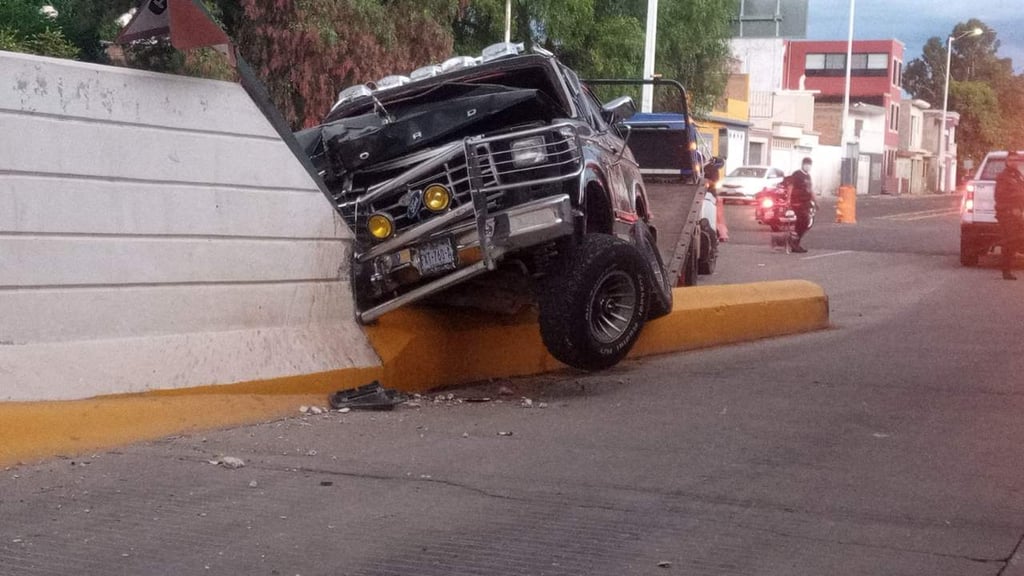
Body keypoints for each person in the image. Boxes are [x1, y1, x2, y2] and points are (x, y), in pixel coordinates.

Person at [994, 151, 1024, 280]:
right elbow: (1000, 196)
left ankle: (1008, 268)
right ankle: (1006, 271)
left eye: (1016, 160)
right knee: (1009, 241)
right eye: (1011, 160)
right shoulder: (1003, 177)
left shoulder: (1018, 176)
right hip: (1007, 214)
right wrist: (1013, 208)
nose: (1014, 162)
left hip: (1018, 214)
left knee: (1015, 240)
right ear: (1006, 162)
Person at [785, 157, 815, 253]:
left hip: (806, 202)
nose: (808, 166)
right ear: (802, 164)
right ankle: (794, 241)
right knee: (804, 220)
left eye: (809, 164)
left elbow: (810, 189)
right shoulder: (797, 174)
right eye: (806, 164)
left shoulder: (808, 176)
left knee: (807, 223)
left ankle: (795, 242)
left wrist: (815, 201)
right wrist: (788, 200)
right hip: (797, 202)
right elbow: (791, 186)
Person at [703, 157, 729, 242]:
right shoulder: (713, 169)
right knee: (716, 216)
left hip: (707, 194)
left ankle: (718, 233)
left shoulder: (706, 167)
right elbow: (713, 182)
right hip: (710, 195)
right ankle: (718, 233)